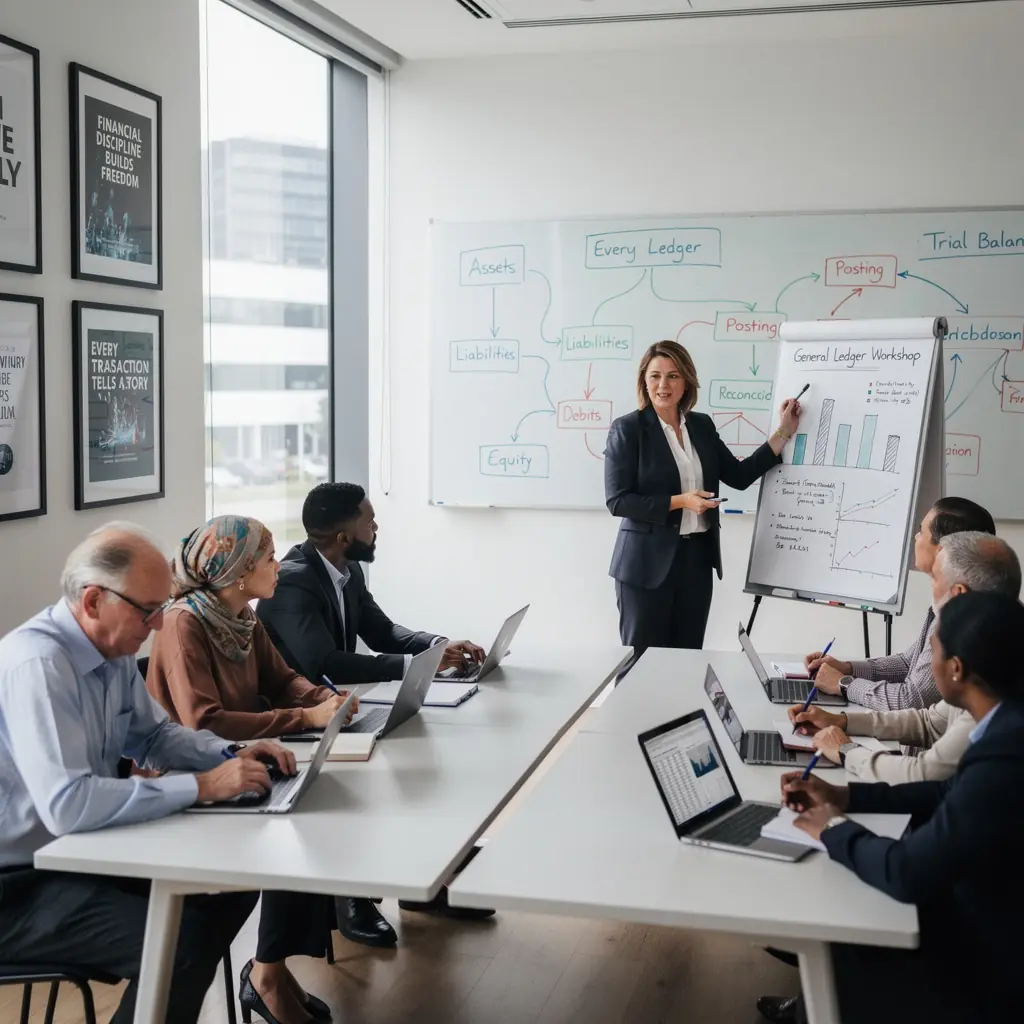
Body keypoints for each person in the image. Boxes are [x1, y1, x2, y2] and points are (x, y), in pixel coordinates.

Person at [0, 523, 296, 1024]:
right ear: (93, 601)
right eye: (148, 610)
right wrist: (202, 786)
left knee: (235, 880)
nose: (159, 624)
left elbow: (156, 737)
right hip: (18, 884)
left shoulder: (109, 649)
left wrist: (233, 754)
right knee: (178, 943)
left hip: (74, 854)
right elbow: (69, 805)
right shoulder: (39, 664)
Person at [256, 482, 493, 945]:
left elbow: (383, 631)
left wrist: (436, 646)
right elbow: (324, 663)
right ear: (346, 536)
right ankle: (352, 897)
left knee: (425, 761)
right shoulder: (294, 580)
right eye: (369, 520)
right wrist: (416, 665)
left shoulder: (346, 570)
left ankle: (422, 880)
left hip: (340, 706)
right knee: (388, 770)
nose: (376, 526)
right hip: (294, 721)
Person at [775, 590, 1024, 1024]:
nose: (927, 663)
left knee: (842, 938)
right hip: (982, 930)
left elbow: (906, 872)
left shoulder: (1004, 755)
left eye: (932, 651)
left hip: (986, 977)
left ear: (957, 669)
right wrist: (845, 797)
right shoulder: (1005, 722)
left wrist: (832, 828)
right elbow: (946, 795)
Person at [146, 514, 353, 1022]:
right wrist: (305, 716)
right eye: (267, 558)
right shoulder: (182, 622)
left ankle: (270, 969)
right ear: (238, 572)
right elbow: (204, 721)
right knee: (298, 831)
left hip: (240, 762)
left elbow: (284, 681)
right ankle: (267, 975)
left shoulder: (242, 615)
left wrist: (325, 697)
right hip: (190, 781)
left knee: (319, 818)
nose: (277, 565)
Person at [604, 340, 801, 659]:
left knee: (686, 661)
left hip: (695, 561)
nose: (663, 385)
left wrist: (783, 431)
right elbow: (618, 501)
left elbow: (738, 475)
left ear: (686, 382)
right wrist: (681, 501)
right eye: (654, 376)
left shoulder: (701, 426)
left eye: (672, 376)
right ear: (644, 380)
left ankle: (682, 713)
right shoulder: (628, 429)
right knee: (640, 663)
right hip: (645, 566)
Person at [788, 530, 1021, 782]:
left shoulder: (989, 694)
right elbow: (930, 722)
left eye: (933, 577)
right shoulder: (988, 651)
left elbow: (921, 771)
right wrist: (840, 720)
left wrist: (846, 750)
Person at [802, 497, 996, 708]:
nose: (916, 536)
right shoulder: (954, 599)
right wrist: (847, 668)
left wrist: (842, 684)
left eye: (922, 531)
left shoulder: (963, 616)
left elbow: (911, 699)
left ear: (942, 550)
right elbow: (907, 663)